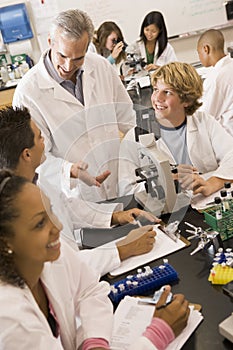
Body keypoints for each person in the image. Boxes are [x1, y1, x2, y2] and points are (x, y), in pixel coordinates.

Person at [0, 169, 190, 349]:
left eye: (51, 213)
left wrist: (94, 341)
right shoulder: (10, 321)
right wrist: (157, 335)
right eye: (40, 223)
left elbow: (89, 288)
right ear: (5, 241)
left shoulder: (50, 256)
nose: (57, 227)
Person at [0, 106, 159, 277]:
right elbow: (60, 271)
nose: (44, 141)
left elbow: (66, 206)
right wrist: (125, 249)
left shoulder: (37, 179)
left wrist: (114, 216)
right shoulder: (13, 212)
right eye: (39, 137)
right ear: (27, 155)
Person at [13, 9, 136, 204]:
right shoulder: (28, 92)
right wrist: (68, 170)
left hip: (119, 184)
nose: (68, 66)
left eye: (78, 58)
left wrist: (132, 169)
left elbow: (128, 121)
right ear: (50, 43)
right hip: (73, 197)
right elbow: (33, 160)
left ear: (87, 48)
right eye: (62, 56)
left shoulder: (101, 67)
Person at [118, 62, 233, 198]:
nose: (157, 98)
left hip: (207, 203)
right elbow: (125, 188)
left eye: (167, 92)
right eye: (155, 89)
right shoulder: (135, 136)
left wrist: (213, 183)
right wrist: (161, 182)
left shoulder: (204, 122)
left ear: (186, 100)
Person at [197, 29, 233, 137]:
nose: (199, 57)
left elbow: (205, 115)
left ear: (206, 49)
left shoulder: (216, 78)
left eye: (199, 53)